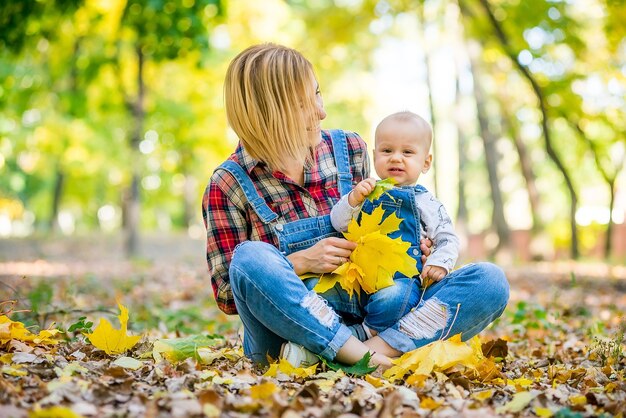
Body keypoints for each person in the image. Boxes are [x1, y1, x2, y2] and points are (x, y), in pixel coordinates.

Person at [202, 43, 509, 369]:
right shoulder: (229, 184)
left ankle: (363, 353)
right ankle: (366, 355)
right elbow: (229, 293)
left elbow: (383, 222)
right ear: (269, 113)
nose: (321, 111)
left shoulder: (349, 148)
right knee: (250, 257)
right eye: (305, 104)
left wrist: (414, 247)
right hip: (286, 336)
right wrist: (299, 261)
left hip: (374, 312)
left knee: (489, 281)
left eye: (317, 94)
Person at [329, 111, 460, 344]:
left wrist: (439, 262)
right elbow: (338, 222)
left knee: (396, 296)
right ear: (374, 155)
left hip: (399, 279)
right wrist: (352, 199)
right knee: (325, 290)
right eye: (387, 151)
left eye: (407, 152)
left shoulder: (426, 202)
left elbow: (447, 238)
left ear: (426, 162)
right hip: (357, 275)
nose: (396, 158)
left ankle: (364, 335)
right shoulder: (366, 192)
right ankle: (329, 329)